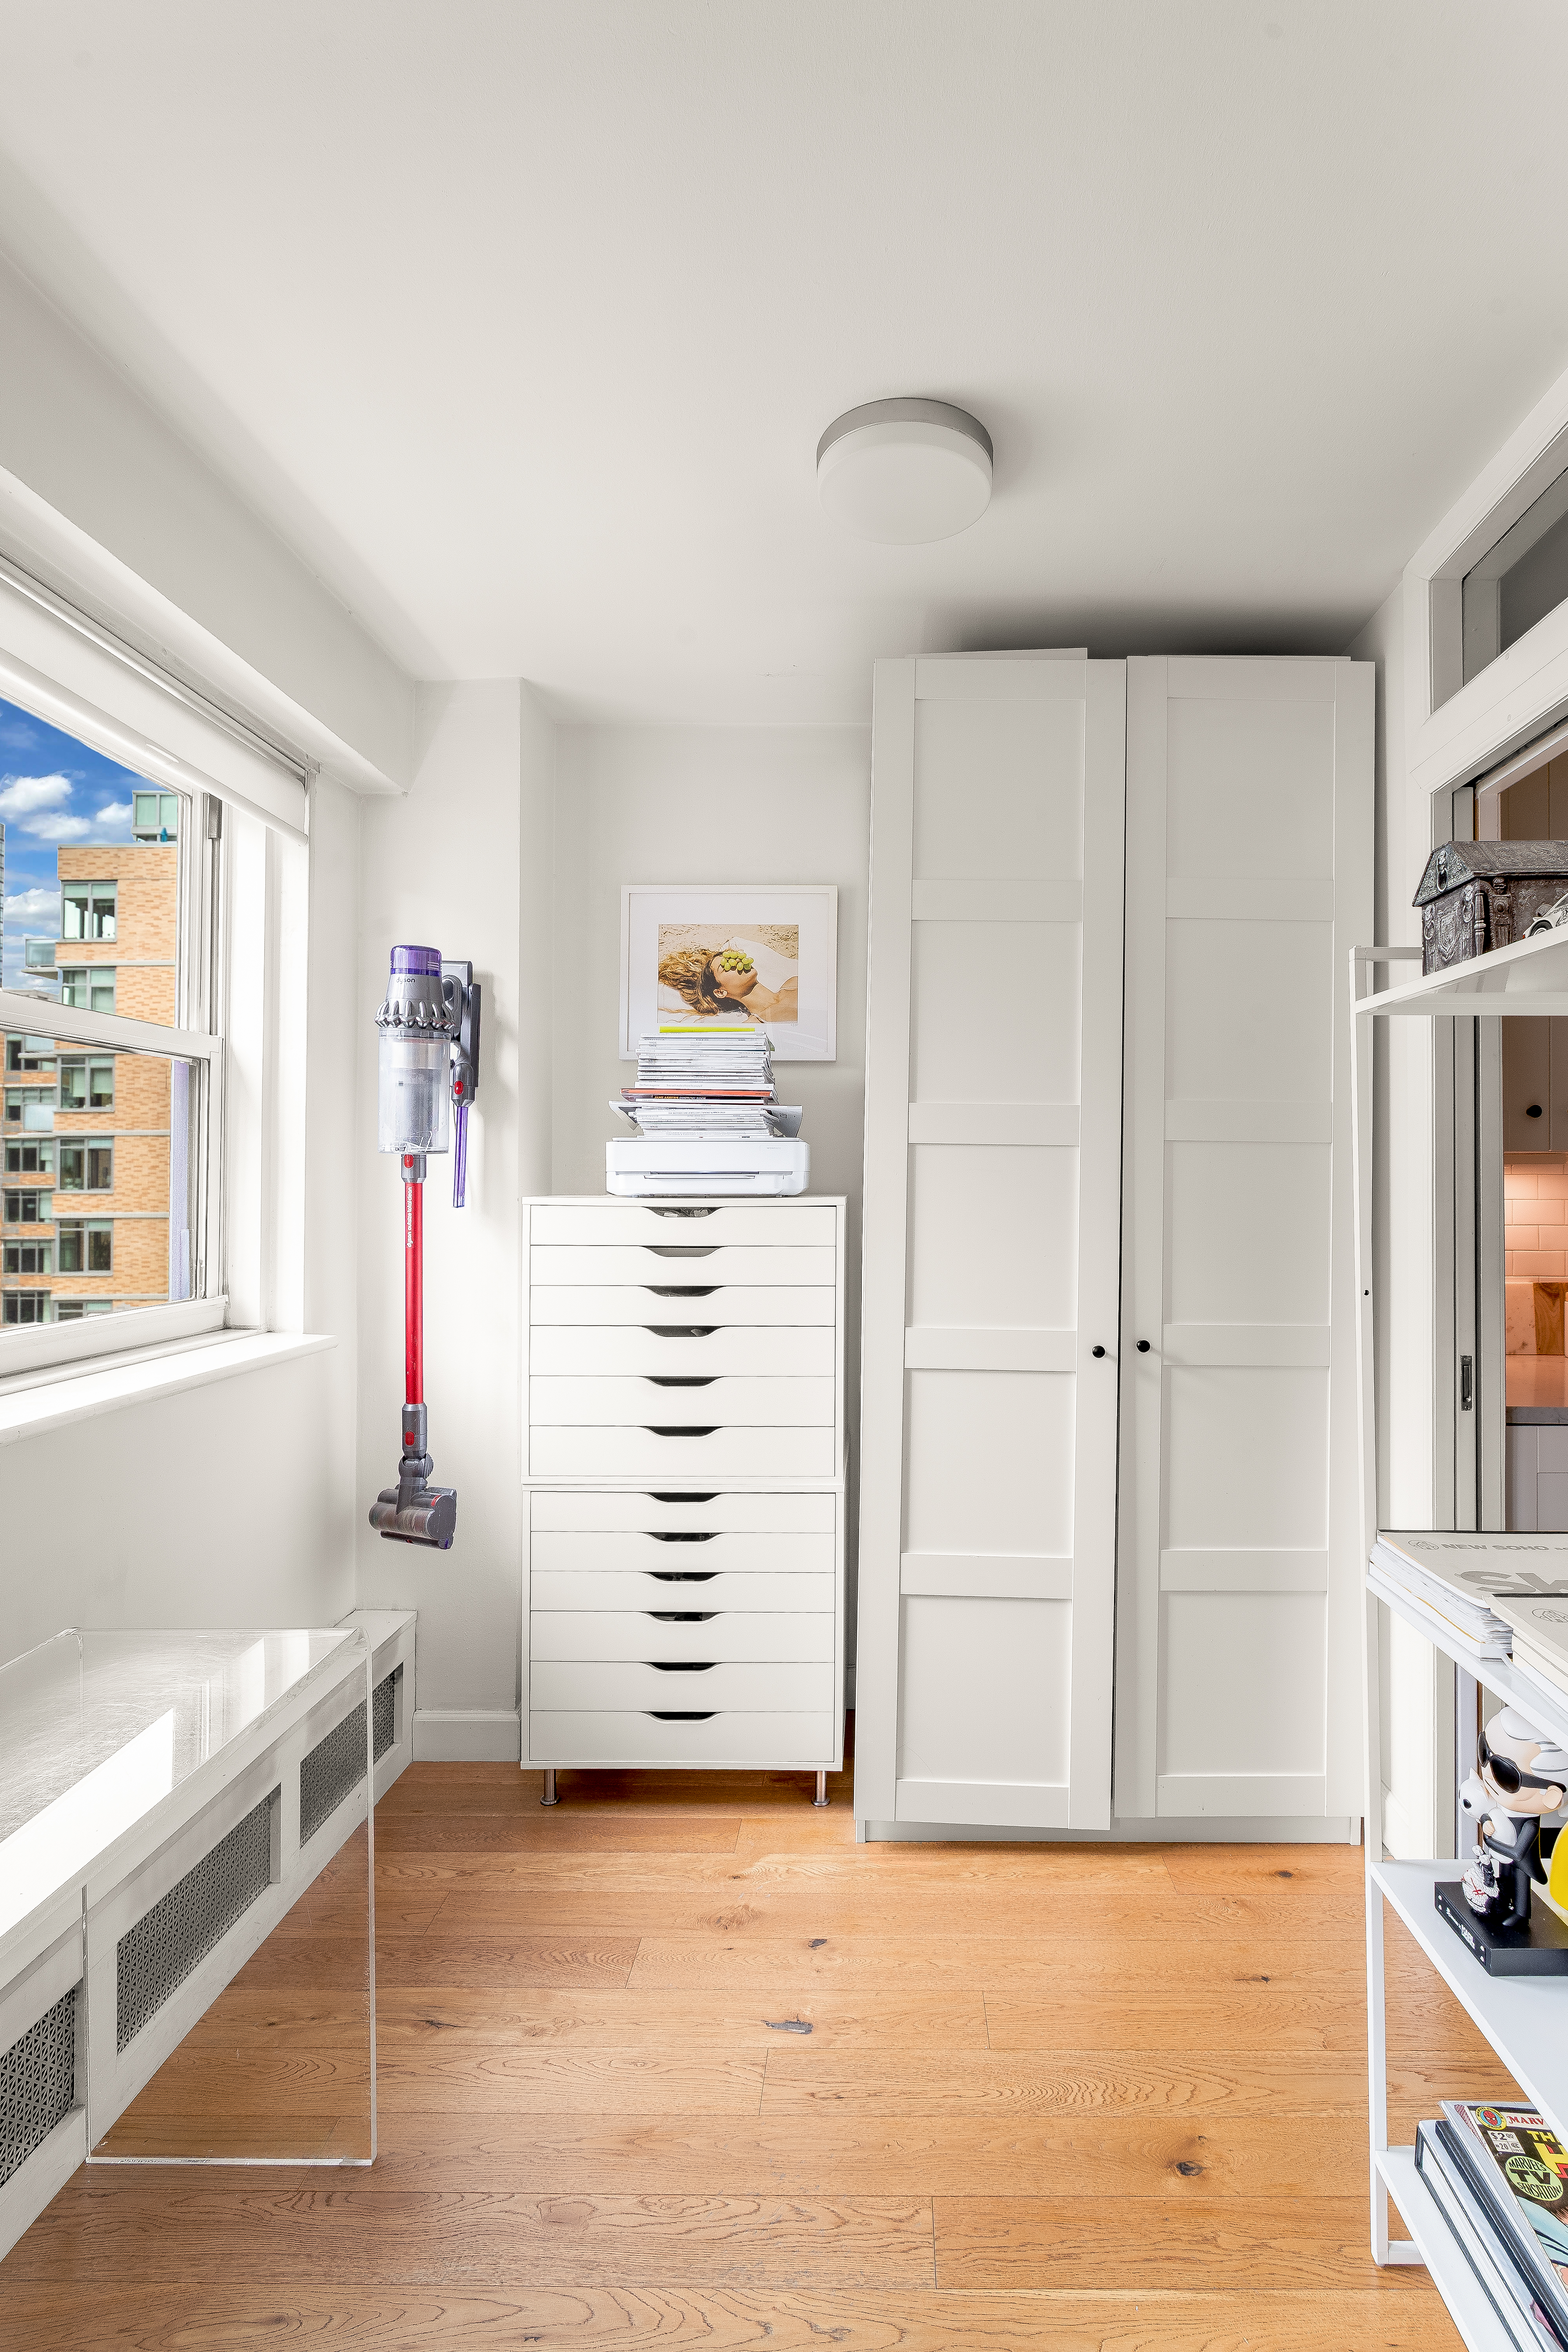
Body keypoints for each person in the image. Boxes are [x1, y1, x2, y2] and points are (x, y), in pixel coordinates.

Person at [658, 939, 798, 1025]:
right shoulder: (753, 1028)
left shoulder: (793, 983)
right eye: (725, 966)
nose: (737, 961)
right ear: (720, 992)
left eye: (734, 957)